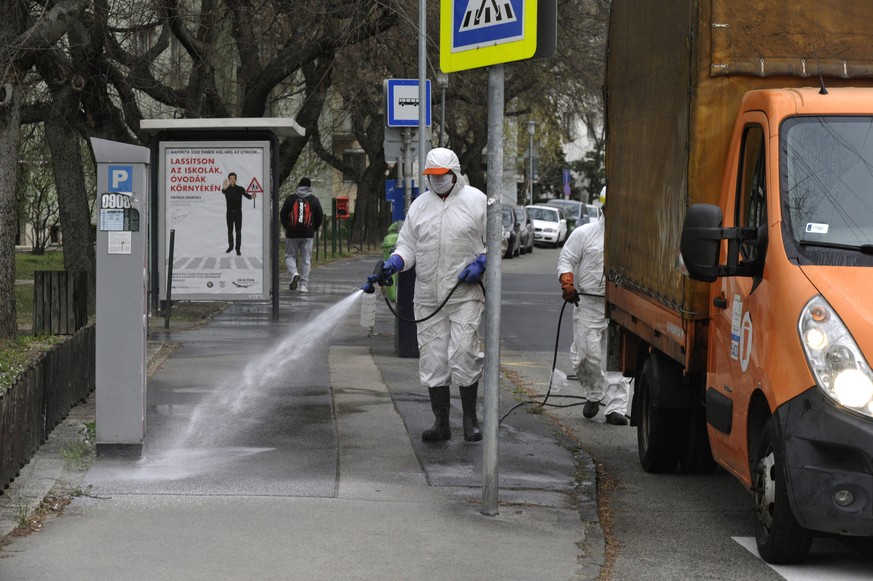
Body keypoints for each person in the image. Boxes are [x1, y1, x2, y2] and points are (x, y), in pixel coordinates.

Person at [363, 148, 487, 442]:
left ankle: (470, 420)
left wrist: (482, 262)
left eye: (441, 176)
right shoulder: (420, 206)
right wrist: (394, 263)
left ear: (454, 173)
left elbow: (496, 241)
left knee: (463, 354)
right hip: (428, 298)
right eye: (431, 176)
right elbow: (407, 246)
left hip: (464, 295)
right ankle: (441, 423)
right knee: (433, 360)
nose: (437, 181)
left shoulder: (477, 202)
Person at [557, 187, 629, 426]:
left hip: (621, 305)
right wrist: (567, 283)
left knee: (617, 358)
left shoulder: (632, 237)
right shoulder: (584, 234)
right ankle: (594, 394)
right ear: (604, 207)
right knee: (586, 356)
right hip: (588, 303)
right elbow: (567, 258)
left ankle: (616, 408)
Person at [280, 177, 324, 293]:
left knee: (290, 255)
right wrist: (313, 229)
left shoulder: (291, 198)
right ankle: (303, 286)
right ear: (309, 187)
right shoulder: (314, 200)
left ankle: (294, 273)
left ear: (299, 185)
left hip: (292, 234)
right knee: (306, 260)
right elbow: (320, 216)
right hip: (307, 235)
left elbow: (283, 214)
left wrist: (287, 227)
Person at [221, 172, 256, 255]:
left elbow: (247, 196)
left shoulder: (240, 189)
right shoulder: (226, 189)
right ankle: (230, 247)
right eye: (231, 179)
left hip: (238, 213)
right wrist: (224, 188)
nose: (232, 180)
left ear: (236, 179)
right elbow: (223, 191)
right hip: (229, 213)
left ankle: (238, 249)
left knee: (238, 231)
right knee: (230, 231)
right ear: (229, 180)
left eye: (234, 178)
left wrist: (252, 196)